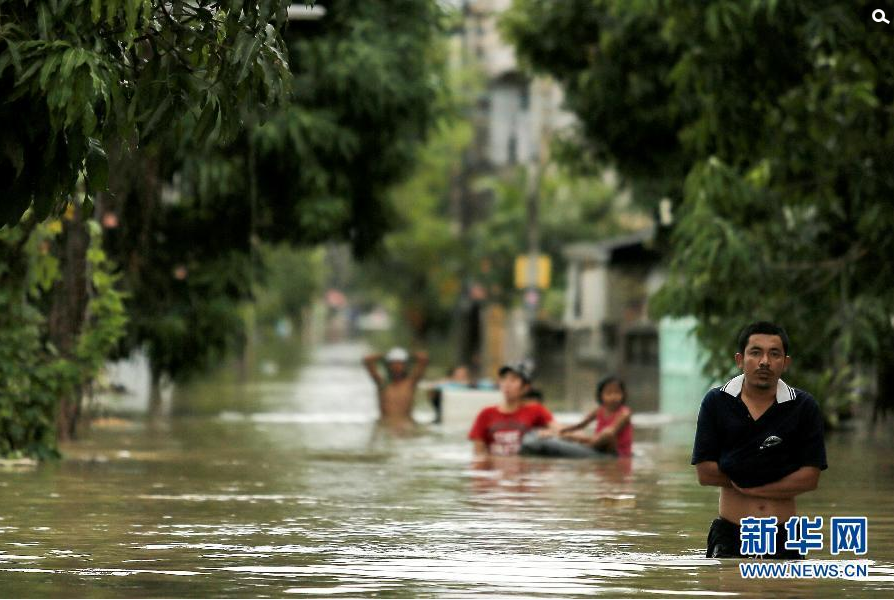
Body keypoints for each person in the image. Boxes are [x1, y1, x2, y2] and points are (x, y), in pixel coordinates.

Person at [691, 321, 828, 559]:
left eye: (774, 354)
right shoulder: (716, 402)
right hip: (732, 533)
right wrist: (767, 474)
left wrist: (750, 484)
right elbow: (705, 473)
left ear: (785, 362)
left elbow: (810, 478)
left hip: (785, 533)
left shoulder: (803, 406)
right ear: (740, 360)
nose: (764, 361)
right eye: (755, 352)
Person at [468, 361, 561, 456]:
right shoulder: (486, 413)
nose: (507, 384)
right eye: (504, 379)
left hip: (524, 467)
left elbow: (559, 430)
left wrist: (550, 432)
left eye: (513, 380)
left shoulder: (536, 410)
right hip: (496, 468)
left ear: (526, 387)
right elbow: (478, 455)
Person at [560, 375, 633, 456]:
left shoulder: (625, 413)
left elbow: (611, 431)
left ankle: (586, 448)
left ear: (623, 394)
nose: (613, 397)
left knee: (607, 434)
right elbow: (581, 424)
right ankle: (587, 445)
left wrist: (587, 441)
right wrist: (564, 430)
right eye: (609, 393)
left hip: (616, 449)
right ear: (600, 395)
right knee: (570, 435)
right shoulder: (599, 410)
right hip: (598, 442)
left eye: (617, 393)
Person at [363, 347, 429, 427]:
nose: (397, 366)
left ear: (405, 365)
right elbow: (367, 360)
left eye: (400, 363)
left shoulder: (411, 383)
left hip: (406, 425)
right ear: (388, 366)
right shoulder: (382, 384)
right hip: (385, 425)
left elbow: (424, 358)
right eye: (393, 363)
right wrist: (385, 355)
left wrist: (408, 354)